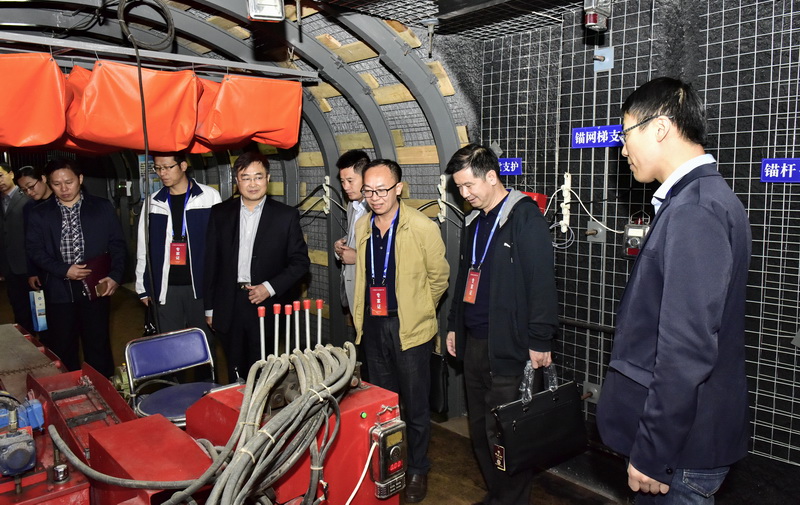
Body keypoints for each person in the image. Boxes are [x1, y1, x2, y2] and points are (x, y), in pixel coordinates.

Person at [596, 77, 752, 504]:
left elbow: (686, 350)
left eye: (626, 134)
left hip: (679, 453)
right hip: (686, 444)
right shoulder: (703, 198)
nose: (622, 150)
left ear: (660, 128)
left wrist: (653, 452)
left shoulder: (695, 209)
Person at [444, 144, 559, 505]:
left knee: (507, 436)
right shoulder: (474, 222)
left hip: (510, 347)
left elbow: (542, 283)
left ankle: (512, 500)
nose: (464, 194)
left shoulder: (524, 217)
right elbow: (463, 279)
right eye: (459, 188)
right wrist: (454, 325)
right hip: (475, 345)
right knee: (481, 431)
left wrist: (540, 339)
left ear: (492, 176)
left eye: (469, 185)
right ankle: (498, 496)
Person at [351, 159, 449, 503]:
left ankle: (418, 468)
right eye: (368, 191)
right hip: (374, 325)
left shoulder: (422, 227)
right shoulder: (362, 225)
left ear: (398, 188)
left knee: (416, 405)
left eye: (382, 190)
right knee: (383, 404)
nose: (375, 197)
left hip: (409, 328)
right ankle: (388, 465)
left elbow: (439, 279)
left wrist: (418, 309)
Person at [204, 151, 309, 382]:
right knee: (233, 369)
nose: (253, 184)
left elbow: (300, 262)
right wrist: (210, 308)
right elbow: (211, 262)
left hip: (266, 304)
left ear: (268, 179)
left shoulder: (285, 216)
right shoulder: (220, 213)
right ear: (237, 181)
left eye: (258, 177)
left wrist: (269, 287)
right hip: (228, 303)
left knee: (263, 370)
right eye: (246, 178)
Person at [25, 159, 126, 377]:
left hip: (95, 287)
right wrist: (63, 269)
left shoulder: (101, 207)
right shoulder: (39, 213)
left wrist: (115, 276)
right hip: (58, 290)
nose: (64, 189)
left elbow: (117, 245)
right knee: (62, 346)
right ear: (48, 183)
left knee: (98, 344)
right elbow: (34, 250)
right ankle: (69, 390)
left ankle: (102, 387)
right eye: (56, 184)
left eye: (69, 182)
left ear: (80, 179)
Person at [134, 152, 221, 338]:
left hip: (201, 288)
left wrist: (218, 287)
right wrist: (142, 288)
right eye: (158, 168)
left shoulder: (209, 197)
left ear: (183, 166)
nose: (162, 173)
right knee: (170, 345)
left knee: (203, 344)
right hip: (165, 288)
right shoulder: (153, 202)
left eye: (167, 167)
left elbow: (219, 247)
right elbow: (143, 248)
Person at [332, 149, 370, 311]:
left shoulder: (379, 208)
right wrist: (341, 246)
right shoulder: (351, 205)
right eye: (342, 181)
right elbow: (356, 238)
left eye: (350, 181)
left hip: (372, 293)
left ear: (366, 177)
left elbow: (392, 253)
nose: (345, 187)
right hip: (354, 290)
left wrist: (358, 257)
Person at [0, 162, 34, 332]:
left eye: (0, 175)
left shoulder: (27, 197)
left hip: (29, 266)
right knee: (19, 310)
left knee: (38, 310)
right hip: (9, 267)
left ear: (11, 174)